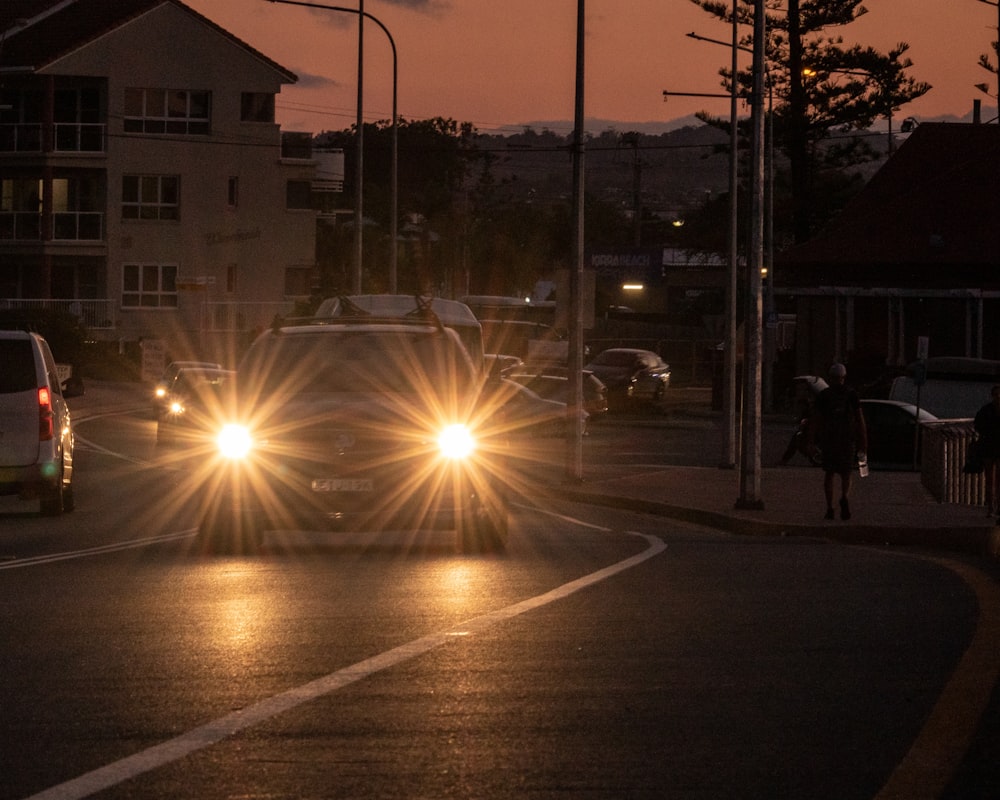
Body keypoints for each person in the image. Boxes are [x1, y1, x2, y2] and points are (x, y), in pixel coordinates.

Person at [808, 363, 867, 520]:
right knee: (846, 473)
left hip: (829, 440)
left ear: (830, 377)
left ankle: (829, 508)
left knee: (829, 474)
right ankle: (844, 497)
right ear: (844, 377)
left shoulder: (824, 395)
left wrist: (811, 440)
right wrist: (863, 442)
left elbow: (815, 420)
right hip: (847, 440)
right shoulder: (852, 395)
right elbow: (860, 420)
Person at [973, 384, 1000, 522]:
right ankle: (991, 506)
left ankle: (995, 506)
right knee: (990, 479)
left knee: (995, 479)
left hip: (992, 447)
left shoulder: (986, 410)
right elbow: (978, 425)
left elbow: (977, 425)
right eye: (996, 394)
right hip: (989, 447)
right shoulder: (986, 410)